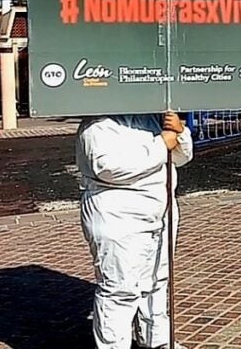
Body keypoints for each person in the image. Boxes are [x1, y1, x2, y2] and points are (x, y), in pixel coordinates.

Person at [76, 111, 193, 349]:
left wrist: (180, 133)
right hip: (118, 213)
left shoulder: (150, 117)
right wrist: (161, 143)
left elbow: (180, 157)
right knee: (120, 288)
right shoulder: (97, 125)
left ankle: (156, 338)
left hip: (160, 209)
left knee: (156, 280)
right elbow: (108, 168)